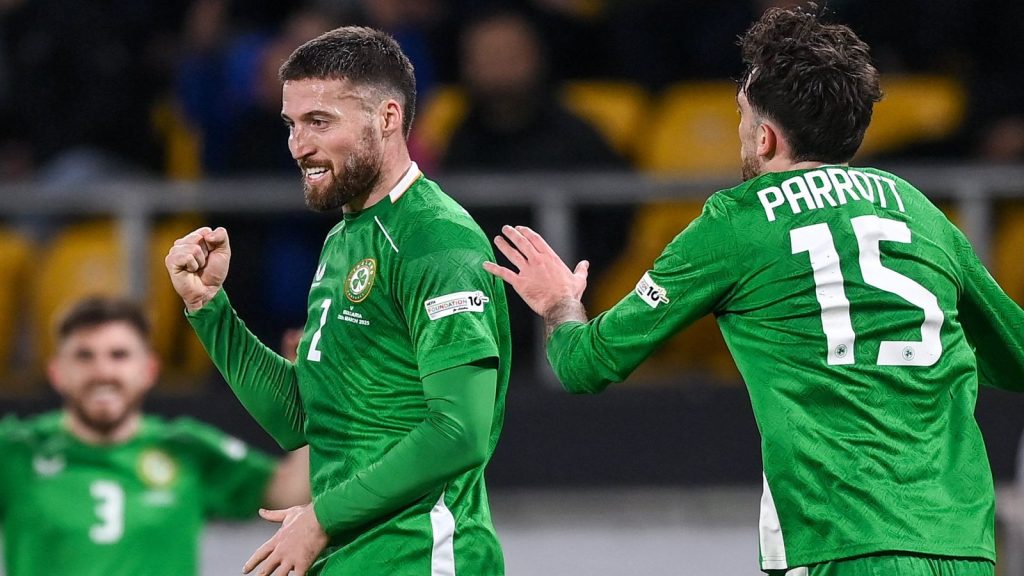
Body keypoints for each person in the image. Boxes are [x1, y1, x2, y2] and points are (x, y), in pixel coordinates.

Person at [484, 4, 1024, 575]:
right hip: (961, 546)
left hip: (838, 544)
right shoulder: (921, 212)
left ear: (765, 136)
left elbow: (585, 365)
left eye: (741, 115)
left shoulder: (738, 222)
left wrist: (560, 305)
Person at [165, 26, 512, 576]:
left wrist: (320, 517)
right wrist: (212, 310)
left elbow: (459, 433)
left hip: (422, 559)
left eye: (320, 122)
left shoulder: (435, 241)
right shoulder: (345, 237)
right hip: (353, 558)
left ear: (388, 118)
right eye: (292, 124)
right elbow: (306, 419)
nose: (299, 146)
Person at [0, 296, 310, 576]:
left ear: (149, 369)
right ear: (56, 372)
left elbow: (289, 494)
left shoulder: (185, 447)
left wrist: (309, 398)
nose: (103, 371)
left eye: (119, 355)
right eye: (84, 356)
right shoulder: (16, 449)